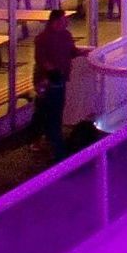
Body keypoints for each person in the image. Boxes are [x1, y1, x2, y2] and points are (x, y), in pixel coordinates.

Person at [28, 9, 81, 156]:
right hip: (47, 81)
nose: (67, 22)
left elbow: (72, 52)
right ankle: (52, 142)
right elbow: (41, 60)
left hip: (57, 79)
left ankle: (46, 139)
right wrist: (51, 72)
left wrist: (83, 53)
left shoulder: (64, 35)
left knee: (49, 110)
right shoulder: (44, 39)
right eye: (64, 20)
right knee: (49, 110)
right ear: (56, 22)